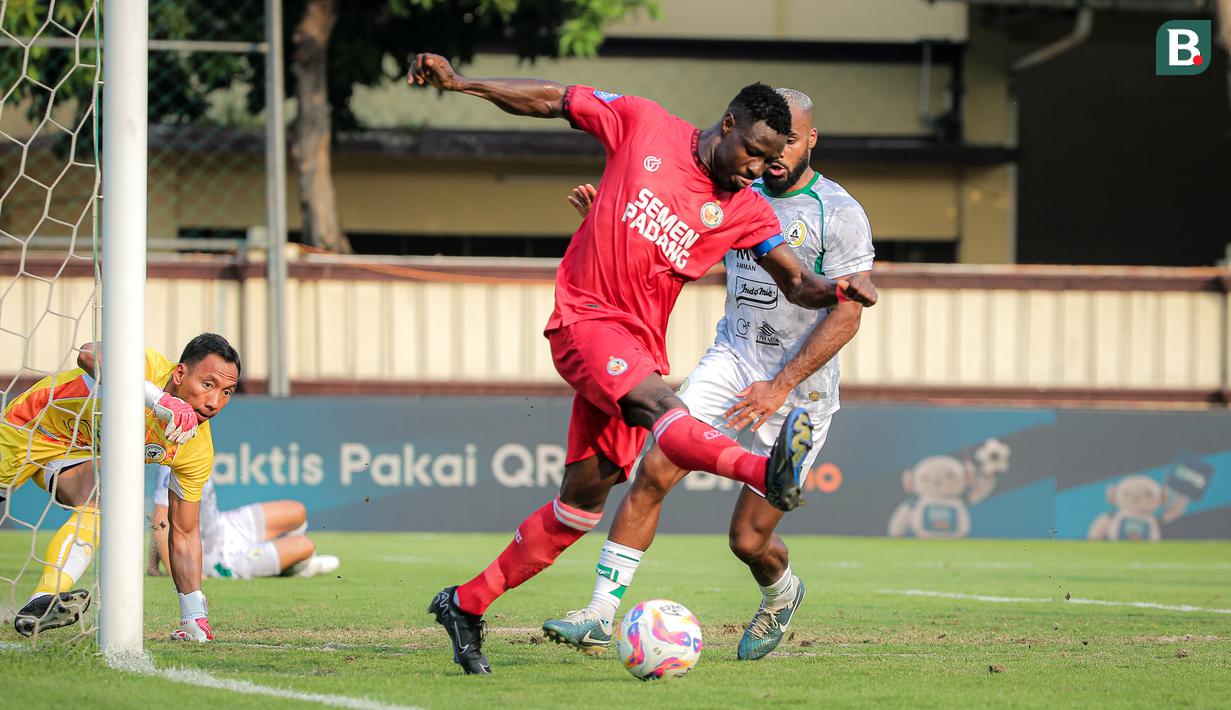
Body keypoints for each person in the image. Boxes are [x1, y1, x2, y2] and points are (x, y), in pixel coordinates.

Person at [408, 53, 877, 675]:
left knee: (578, 507)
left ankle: (464, 604)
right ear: (728, 123)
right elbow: (554, 98)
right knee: (665, 412)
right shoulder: (644, 124)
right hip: (586, 322)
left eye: (772, 160)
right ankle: (764, 469)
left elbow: (795, 281)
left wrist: (839, 291)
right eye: (755, 154)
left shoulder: (746, 207)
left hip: (640, 348)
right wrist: (463, 83)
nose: (760, 170)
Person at [544, 88, 874, 661]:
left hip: (799, 386)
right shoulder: (735, 192)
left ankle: (781, 593)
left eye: (788, 144)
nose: (772, 158)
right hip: (733, 356)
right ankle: (599, 614)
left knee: (746, 540)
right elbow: (661, 227)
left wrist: (781, 385)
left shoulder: (838, 212)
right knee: (657, 464)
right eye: (765, 146)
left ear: (811, 141)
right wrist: (608, 213)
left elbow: (846, 315)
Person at [1, 333, 240, 641]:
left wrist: (194, 614)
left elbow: (184, 533)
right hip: (29, 425)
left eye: (227, 392)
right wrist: (159, 399)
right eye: (208, 385)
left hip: (76, 453)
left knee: (107, 500)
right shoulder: (148, 367)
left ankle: (43, 600)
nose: (214, 402)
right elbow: (87, 354)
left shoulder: (195, 448)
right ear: (179, 374)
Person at [148, 466, 340, 580]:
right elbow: (161, 518)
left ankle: (275, 555)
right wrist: (179, 574)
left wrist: (153, 565)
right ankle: (297, 567)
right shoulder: (172, 463)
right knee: (304, 546)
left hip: (225, 526)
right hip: (215, 558)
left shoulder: (196, 438)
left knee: (297, 511)